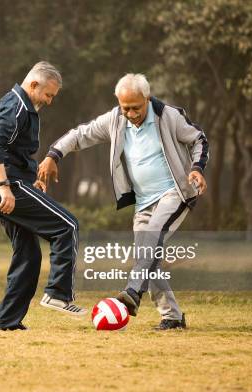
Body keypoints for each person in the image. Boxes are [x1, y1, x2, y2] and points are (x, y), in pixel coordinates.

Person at [38, 73, 209, 330]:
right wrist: (54, 154)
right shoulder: (115, 120)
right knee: (147, 257)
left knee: (152, 240)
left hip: (175, 192)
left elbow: (199, 139)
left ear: (147, 98)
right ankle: (172, 317)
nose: (130, 113)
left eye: (135, 107)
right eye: (124, 107)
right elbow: (81, 134)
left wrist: (197, 167)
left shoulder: (169, 116)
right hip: (143, 202)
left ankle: (132, 292)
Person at [0, 61, 87, 331]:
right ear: (33, 85)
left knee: (28, 256)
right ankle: (58, 294)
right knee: (68, 225)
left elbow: (15, 152)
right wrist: (5, 186)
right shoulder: (15, 106)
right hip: (7, 188)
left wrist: (32, 183)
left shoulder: (23, 107)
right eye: (48, 95)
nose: (50, 101)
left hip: (15, 185)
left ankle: (7, 322)